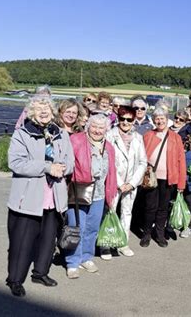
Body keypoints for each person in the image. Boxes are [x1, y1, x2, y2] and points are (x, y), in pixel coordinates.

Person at [6, 95, 74, 297]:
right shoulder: (22, 134)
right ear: (31, 112)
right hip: (29, 198)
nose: (44, 112)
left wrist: (63, 168)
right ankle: (15, 279)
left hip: (54, 197)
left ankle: (40, 273)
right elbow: (16, 163)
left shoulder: (61, 133)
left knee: (48, 240)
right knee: (22, 242)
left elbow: (70, 161)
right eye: (39, 108)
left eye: (47, 108)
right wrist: (47, 167)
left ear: (53, 112)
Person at [65, 114, 118, 279]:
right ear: (88, 126)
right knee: (75, 228)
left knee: (92, 229)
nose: (97, 130)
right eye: (94, 126)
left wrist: (112, 196)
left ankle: (86, 257)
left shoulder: (108, 146)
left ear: (106, 130)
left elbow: (112, 172)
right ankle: (72, 262)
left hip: (99, 193)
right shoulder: (76, 140)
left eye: (101, 127)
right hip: (79, 191)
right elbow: (68, 165)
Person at [104, 106, 148, 258]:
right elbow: (107, 162)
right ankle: (106, 244)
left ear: (134, 120)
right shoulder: (109, 136)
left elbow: (143, 162)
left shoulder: (138, 137)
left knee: (127, 212)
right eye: (122, 118)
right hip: (113, 182)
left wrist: (132, 182)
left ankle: (123, 242)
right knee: (110, 211)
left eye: (129, 119)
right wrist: (119, 183)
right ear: (118, 118)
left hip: (131, 183)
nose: (125, 122)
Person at [141, 108, 186, 248]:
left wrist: (181, 183)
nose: (160, 121)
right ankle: (147, 233)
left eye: (162, 118)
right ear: (154, 120)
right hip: (151, 177)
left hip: (168, 177)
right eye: (157, 118)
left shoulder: (175, 137)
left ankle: (159, 233)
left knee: (163, 207)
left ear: (167, 119)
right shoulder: (148, 135)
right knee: (150, 207)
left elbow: (181, 160)